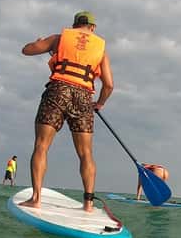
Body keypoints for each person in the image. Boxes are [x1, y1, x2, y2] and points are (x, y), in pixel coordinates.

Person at [19, 11, 113, 213]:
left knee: (41, 146)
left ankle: (36, 199)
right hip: (84, 97)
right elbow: (109, 85)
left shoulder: (59, 39)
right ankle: (88, 204)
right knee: (86, 153)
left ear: (74, 25)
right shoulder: (101, 50)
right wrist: (99, 103)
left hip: (58, 91)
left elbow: (26, 50)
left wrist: (40, 43)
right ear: (93, 27)